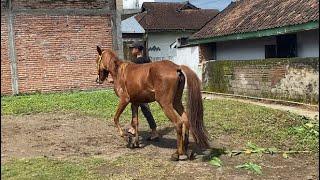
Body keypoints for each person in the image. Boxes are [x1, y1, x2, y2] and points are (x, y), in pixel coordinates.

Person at [127, 41, 160, 141]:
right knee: (138, 108)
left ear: (138, 50)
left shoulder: (136, 62)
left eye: (133, 48)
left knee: (143, 109)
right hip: (148, 88)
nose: (132, 50)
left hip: (140, 90)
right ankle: (134, 128)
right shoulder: (147, 59)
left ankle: (152, 131)